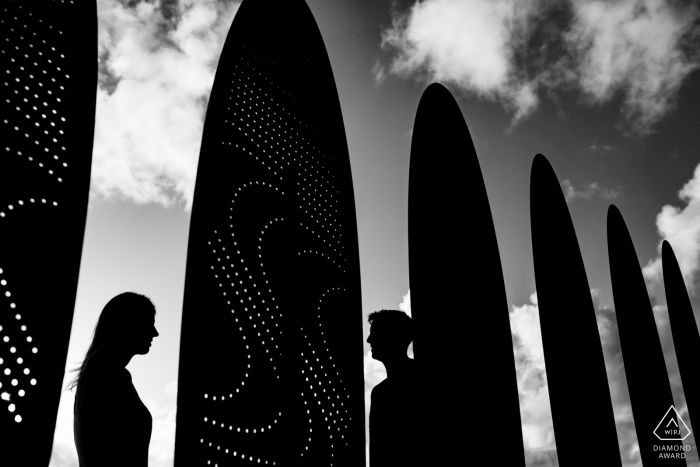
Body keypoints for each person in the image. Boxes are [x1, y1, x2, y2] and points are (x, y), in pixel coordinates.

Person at [67, 292, 159, 467]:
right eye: (149, 324)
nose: (155, 333)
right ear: (128, 324)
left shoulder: (110, 375)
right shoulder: (107, 377)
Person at [367, 309, 417, 467]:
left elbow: (379, 453)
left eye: (374, 333)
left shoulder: (383, 393)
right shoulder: (381, 392)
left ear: (390, 336)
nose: (369, 340)